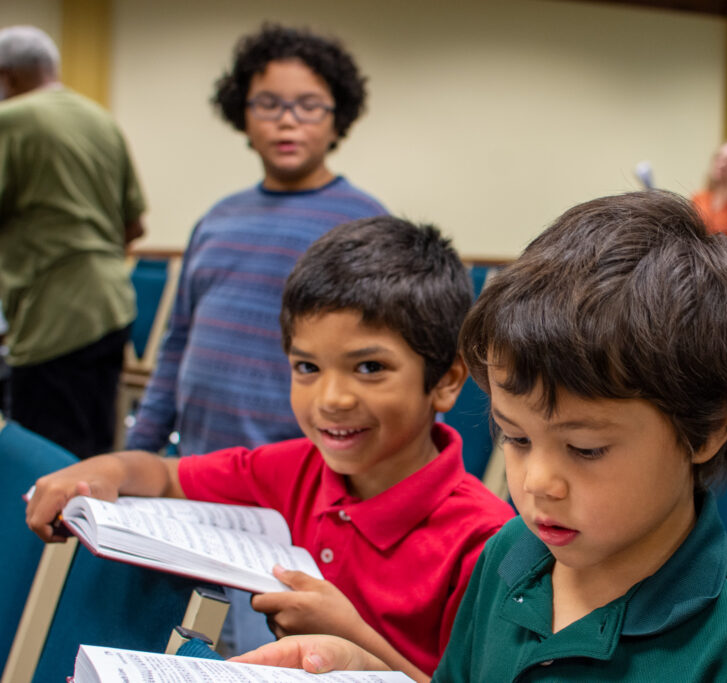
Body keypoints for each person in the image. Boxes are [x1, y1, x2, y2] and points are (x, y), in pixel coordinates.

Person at [233, 191, 727, 681]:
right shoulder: (510, 555)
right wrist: (359, 665)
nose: (537, 483)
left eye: (585, 448)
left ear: (705, 430)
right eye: (515, 439)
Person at [27, 216, 516, 679]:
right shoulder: (295, 469)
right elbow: (167, 475)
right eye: (307, 367)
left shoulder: (487, 545)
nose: (331, 399)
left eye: (369, 368)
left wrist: (348, 637)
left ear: (448, 380)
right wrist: (105, 470)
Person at [123, 25, 389, 651]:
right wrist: (142, 450)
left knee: (264, 652)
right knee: (179, 641)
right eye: (268, 104)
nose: (286, 121)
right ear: (243, 115)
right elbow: (177, 346)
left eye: (308, 106)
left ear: (337, 118)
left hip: (294, 500)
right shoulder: (217, 219)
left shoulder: (362, 226)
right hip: (199, 480)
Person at [0, 26, 145, 457]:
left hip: (54, 314)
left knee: (44, 462)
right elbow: (134, 226)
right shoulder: (100, 119)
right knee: (94, 450)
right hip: (112, 306)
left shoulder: (13, 120)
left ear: (6, 76)